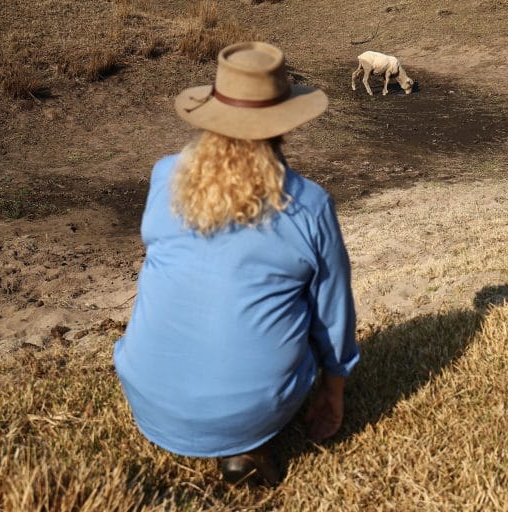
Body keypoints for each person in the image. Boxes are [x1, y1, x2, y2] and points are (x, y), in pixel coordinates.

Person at [113, 41, 359, 486]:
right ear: (285, 122)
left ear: (211, 113)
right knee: (297, 310)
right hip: (253, 410)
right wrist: (334, 387)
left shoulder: (165, 174)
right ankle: (248, 444)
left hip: (147, 393)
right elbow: (333, 312)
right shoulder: (309, 204)